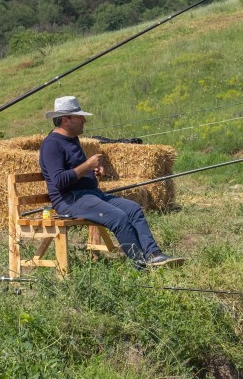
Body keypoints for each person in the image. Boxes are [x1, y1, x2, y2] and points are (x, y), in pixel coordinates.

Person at [38, 95, 182, 269]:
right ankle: (140, 265)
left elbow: (75, 170)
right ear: (66, 120)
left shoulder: (72, 140)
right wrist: (87, 165)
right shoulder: (52, 145)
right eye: (79, 117)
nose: (84, 120)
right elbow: (59, 181)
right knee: (118, 217)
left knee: (133, 209)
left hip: (89, 195)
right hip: (70, 200)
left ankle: (154, 255)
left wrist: (92, 170)